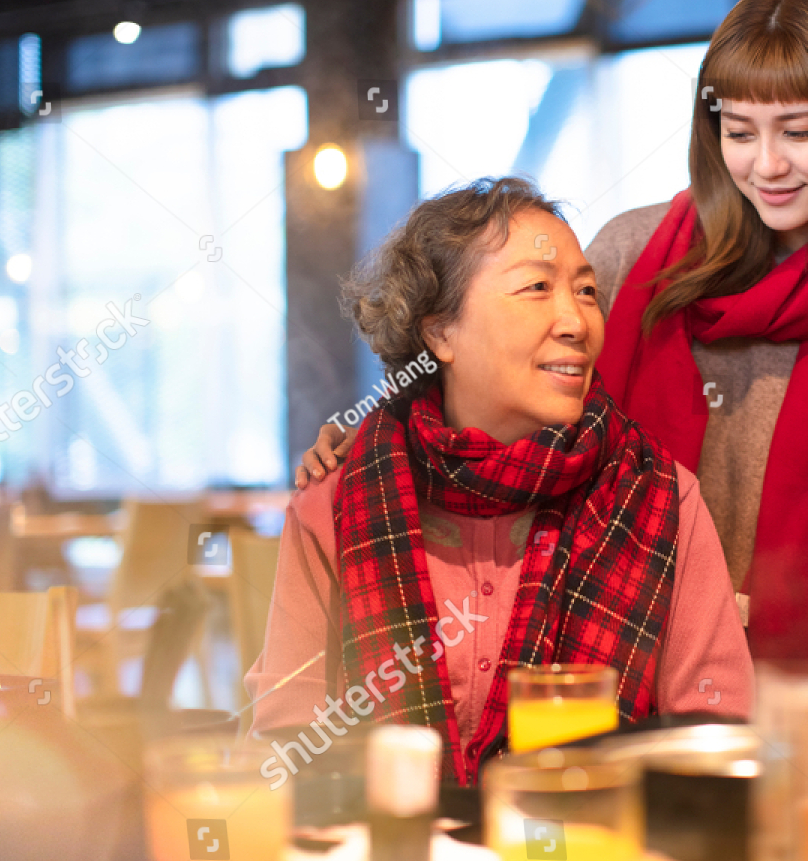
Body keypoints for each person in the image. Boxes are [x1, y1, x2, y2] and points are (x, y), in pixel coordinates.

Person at [300, 0, 808, 664]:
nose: (766, 164)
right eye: (738, 132)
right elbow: (501, 401)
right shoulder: (631, 255)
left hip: (794, 705)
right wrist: (382, 433)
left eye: (799, 132)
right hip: (600, 677)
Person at [247, 178, 753, 784]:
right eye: (537, 287)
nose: (575, 320)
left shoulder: (657, 496)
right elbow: (289, 733)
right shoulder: (340, 499)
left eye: (586, 290)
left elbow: (713, 737)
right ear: (440, 333)